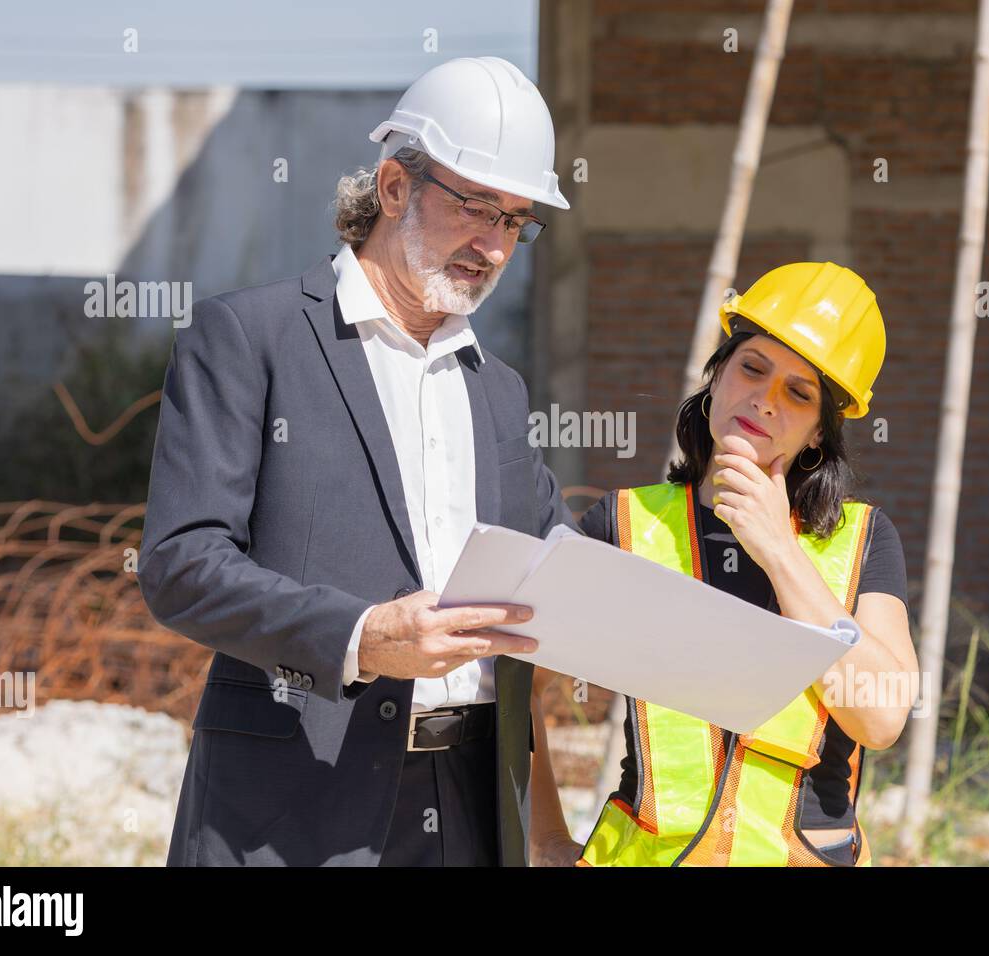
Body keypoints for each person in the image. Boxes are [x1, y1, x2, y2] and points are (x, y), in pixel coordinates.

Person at [138, 56, 577, 867]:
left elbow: (563, 565)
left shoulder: (501, 394)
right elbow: (180, 565)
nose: (492, 243)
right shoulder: (250, 339)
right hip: (291, 811)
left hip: (473, 809)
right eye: (476, 206)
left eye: (515, 221)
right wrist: (363, 636)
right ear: (394, 187)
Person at [528, 262, 917, 867]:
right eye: (752, 368)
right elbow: (513, 683)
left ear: (819, 432)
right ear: (717, 377)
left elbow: (881, 717)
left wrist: (780, 551)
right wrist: (546, 839)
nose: (764, 401)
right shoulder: (627, 524)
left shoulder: (862, 539)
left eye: (799, 392)